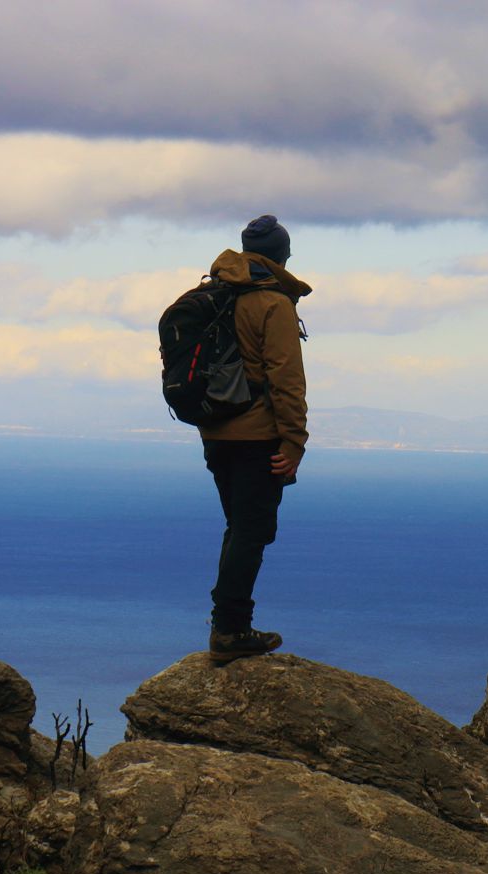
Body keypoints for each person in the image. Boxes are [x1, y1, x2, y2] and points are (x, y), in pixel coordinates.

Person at [201, 214, 310, 661]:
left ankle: (229, 624)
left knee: (239, 529)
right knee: (252, 531)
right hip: (257, 437)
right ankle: (230, 630)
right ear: (281, 255)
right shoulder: (272, 303)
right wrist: (294, 442)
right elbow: (286, 378)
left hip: (215, 432)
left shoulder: (216, 292)